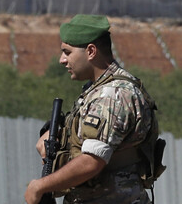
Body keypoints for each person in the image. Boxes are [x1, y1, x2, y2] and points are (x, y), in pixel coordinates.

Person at [25, 14, 162, 204]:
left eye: (67, 52)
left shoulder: (113, 95)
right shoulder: (97, 90)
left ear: (90, 51)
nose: (62, 60)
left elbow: (92, 161)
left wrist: (41, 186)